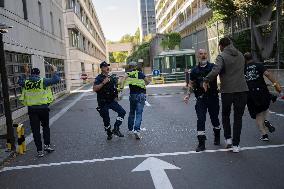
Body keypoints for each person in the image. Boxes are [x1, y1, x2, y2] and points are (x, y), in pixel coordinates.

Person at [203, 37, 248, 153]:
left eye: (220, 47)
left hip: (227, 90)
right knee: (238, 118)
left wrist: (206, 80)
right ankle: (236, 145)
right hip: (242, 89)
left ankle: (228, 140)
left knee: (225, 115)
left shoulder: (222, 56)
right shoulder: (241, 55)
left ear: (221, 45)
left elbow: (216, 70)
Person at [18, 65, 60, 157]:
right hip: (43, 109)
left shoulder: (26, 82)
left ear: (31, 74)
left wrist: (25, 73)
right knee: (45, 127)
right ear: (38, 74)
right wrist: (54, 71)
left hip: (32, 110)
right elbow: (56, 80)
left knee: (35, 130)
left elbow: (20, 82)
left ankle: (39, 151)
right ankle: (47, 146)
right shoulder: (43, 81)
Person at [184, 49, 221, 152]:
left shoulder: (213, 67)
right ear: (198, 56)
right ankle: (201, 143)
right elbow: (191, 83)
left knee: (214, 119)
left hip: (213, 97)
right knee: (201, 119)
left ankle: (217, 134)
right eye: (201, 54)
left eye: (205, 53)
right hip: (201, 98)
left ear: (207, 55)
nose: (203, 55)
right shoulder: (195, 70)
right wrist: (187, 95)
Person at [244, 52, 282, 141]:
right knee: (265, 108)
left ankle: (264, 134)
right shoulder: (258, 65)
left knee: (258, 114)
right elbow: (268, 74)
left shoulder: (243, 69)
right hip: (262, 91)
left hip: (251, 94)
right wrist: (276, 85)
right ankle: (266, 120)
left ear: (245, 59)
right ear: (252, 58)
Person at [93, 61, 126, 140]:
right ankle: (109, 133)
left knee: (122, 112)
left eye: (107, 66)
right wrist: (103, 83)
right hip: (103, 102)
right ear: (101, 68)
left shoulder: (111, 77)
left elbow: (114, 89)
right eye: (105, 66)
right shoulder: (99, 78)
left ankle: (116, 128)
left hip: (111, 101)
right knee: (106, 120)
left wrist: (117, 96)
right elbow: (94, 89)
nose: (107, 68)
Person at [120, 62, 150, 139]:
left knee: (132, 112)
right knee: (139, 113)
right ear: (136, 66)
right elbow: (147, 82)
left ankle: (130, 129)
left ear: (129, 67)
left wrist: (121, 88)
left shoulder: (129, 73)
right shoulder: (140, 73)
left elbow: (123, 79)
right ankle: (136, 130)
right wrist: (143, 84)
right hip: (141, 95)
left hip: (133, 95)